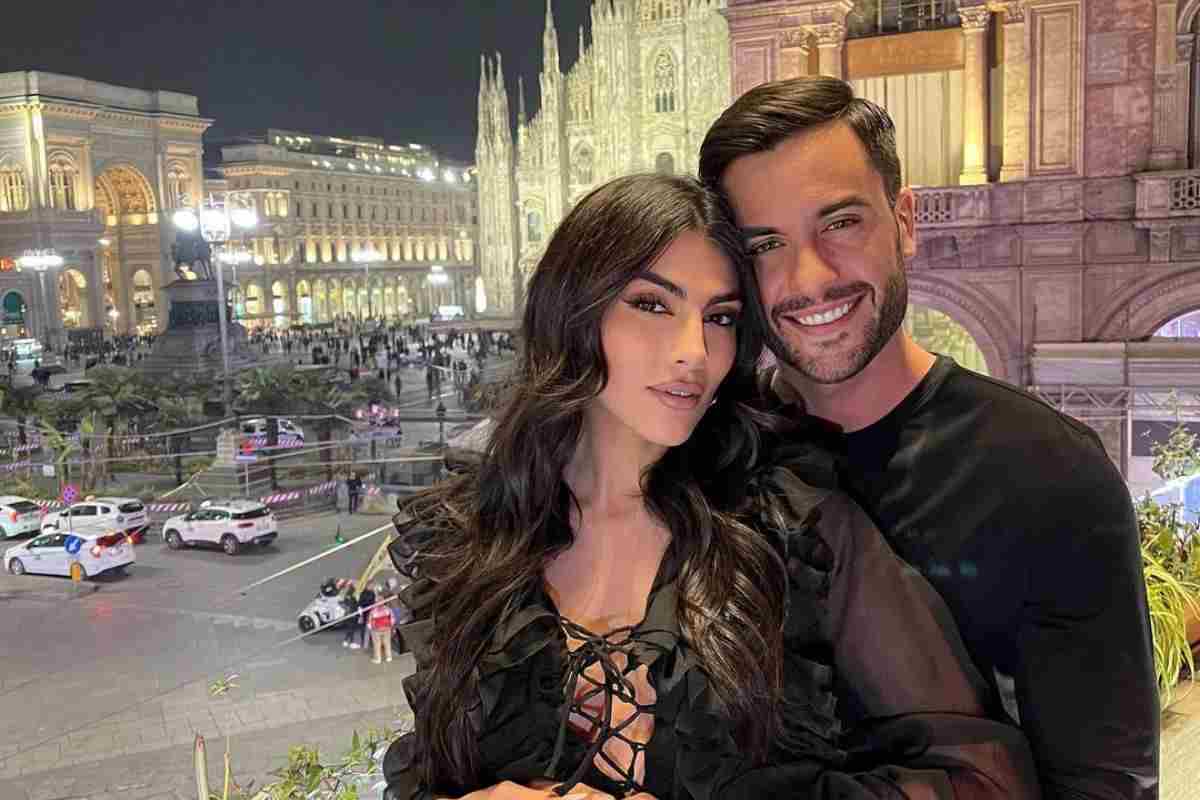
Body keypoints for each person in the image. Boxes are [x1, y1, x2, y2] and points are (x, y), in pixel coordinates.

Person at [382, 174, 1039, 800]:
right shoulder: (471, 533)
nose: (694, 352)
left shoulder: (789, 529)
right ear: (572, 311)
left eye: (720, 318)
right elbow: (430, 770)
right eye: (651, 305)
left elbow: (983, 779)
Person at [698, 76, 1158, 799]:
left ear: (905, 220)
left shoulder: (1049, 473)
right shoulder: (712, 455)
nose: (807, 277)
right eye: (766, 244)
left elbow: (1103, 786)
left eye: (840, 223)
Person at [368, 583, 396, 664]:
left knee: (377, 644)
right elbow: (392, 619)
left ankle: (378, 659)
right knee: (387, 643)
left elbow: (369, 621)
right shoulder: (388, 609)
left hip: (376, 629)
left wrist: (370, 628)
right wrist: (390, 626)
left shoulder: (373, 610)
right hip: (387, 628)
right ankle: (389, 657)